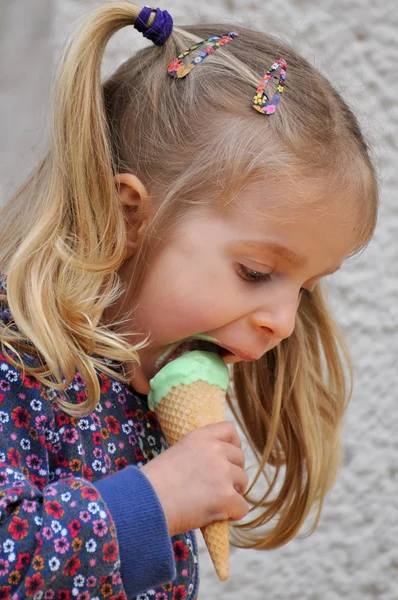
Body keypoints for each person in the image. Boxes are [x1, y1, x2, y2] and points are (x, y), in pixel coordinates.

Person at [0, 2, 378, 599]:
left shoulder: (150, 380)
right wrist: (151, 501)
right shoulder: (17, 361)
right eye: (256, 272)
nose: (283, 323)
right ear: (129, 215)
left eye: (303, 291)